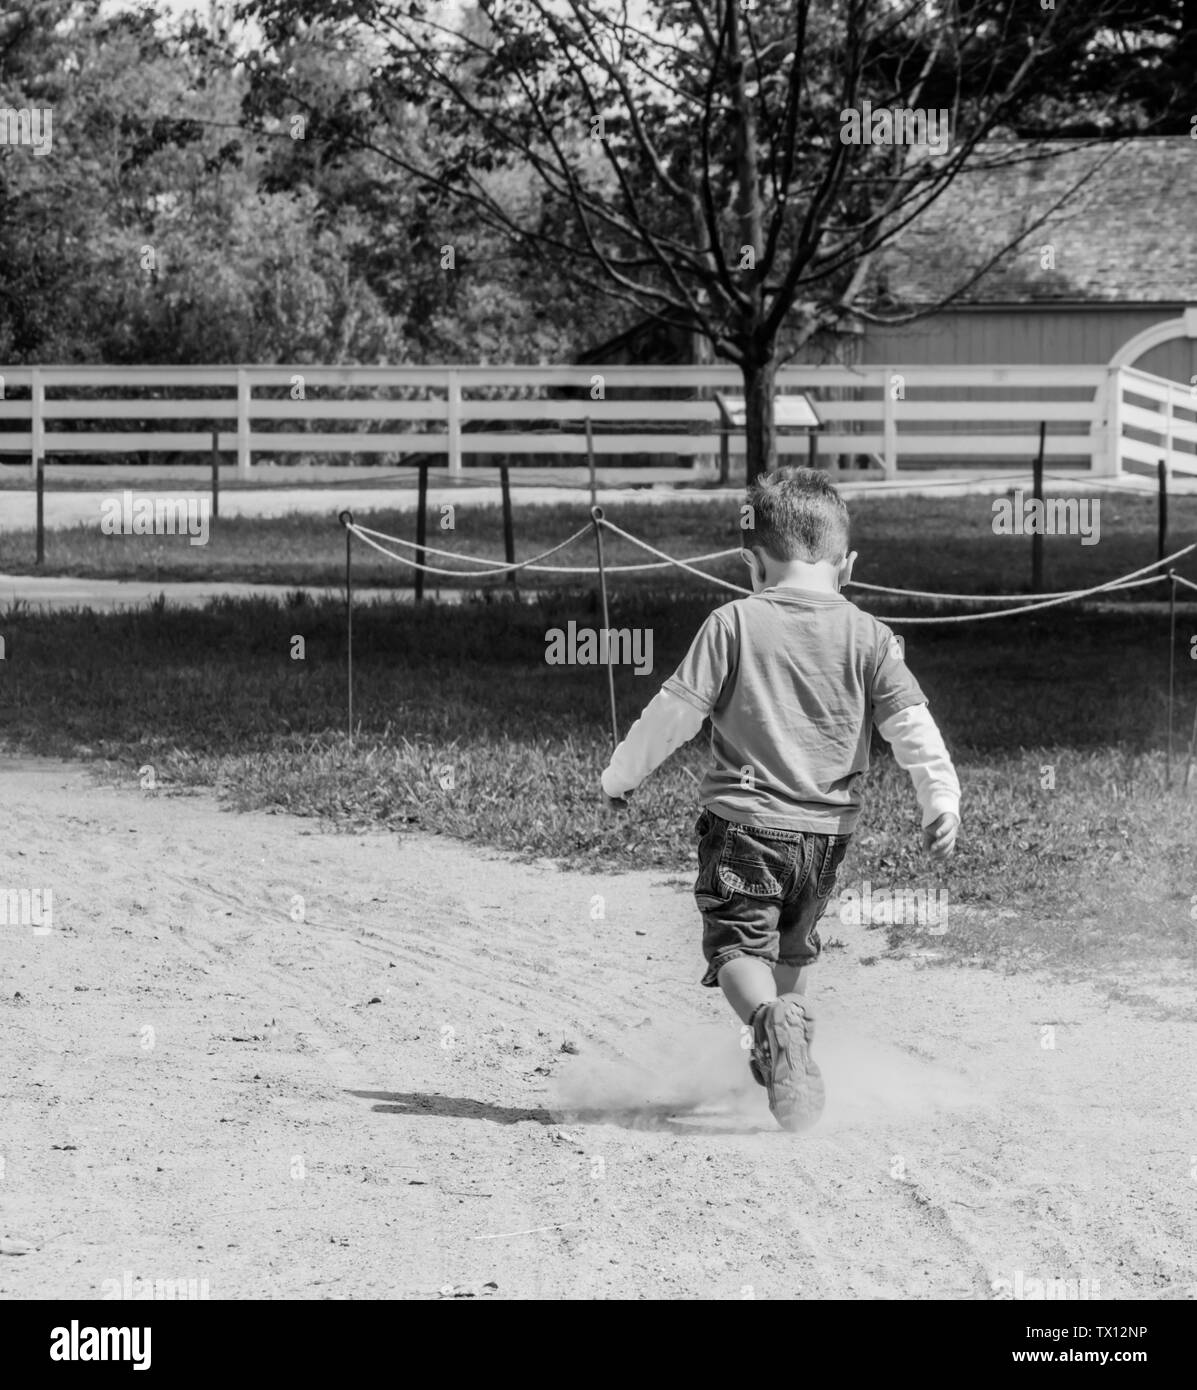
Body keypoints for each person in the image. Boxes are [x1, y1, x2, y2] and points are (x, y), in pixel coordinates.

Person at [600, 466, 961, 1131]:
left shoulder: (733, 622)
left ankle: (769, 1024)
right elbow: (911, 727)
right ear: (845, 563)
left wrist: (619, 777)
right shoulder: (871, 635)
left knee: (738, 950)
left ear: (750, 561)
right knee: (791, 949)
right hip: (825, 840)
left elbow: (672, 715)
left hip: (744, 828)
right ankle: (786, 1053)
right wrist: (940, 800)